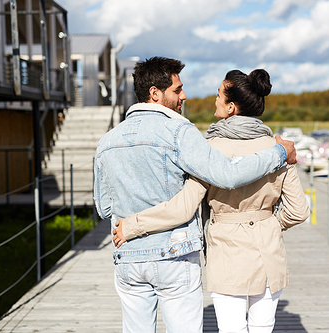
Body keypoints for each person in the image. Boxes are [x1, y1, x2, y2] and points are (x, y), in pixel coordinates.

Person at [93, 57, 297, 333]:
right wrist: (280, 153)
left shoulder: (107, 141)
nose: (184, 95)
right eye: (177, 90)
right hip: (175, 254)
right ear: (155, 93)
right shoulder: (180, 132)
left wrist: (131, 222)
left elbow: (104, 207)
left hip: (128, 255)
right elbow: (228, 174)